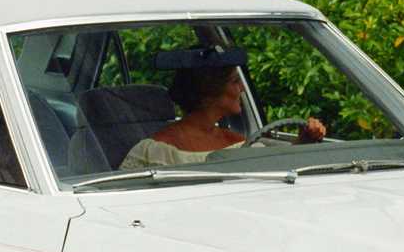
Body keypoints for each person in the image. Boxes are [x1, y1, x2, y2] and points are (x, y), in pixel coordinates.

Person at [121, 62, 326, 171]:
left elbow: (272, 176)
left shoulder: (240, 144)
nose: (243, 89)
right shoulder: (153, 152)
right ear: (209, 91)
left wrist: (303, 143)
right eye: (235, 81)